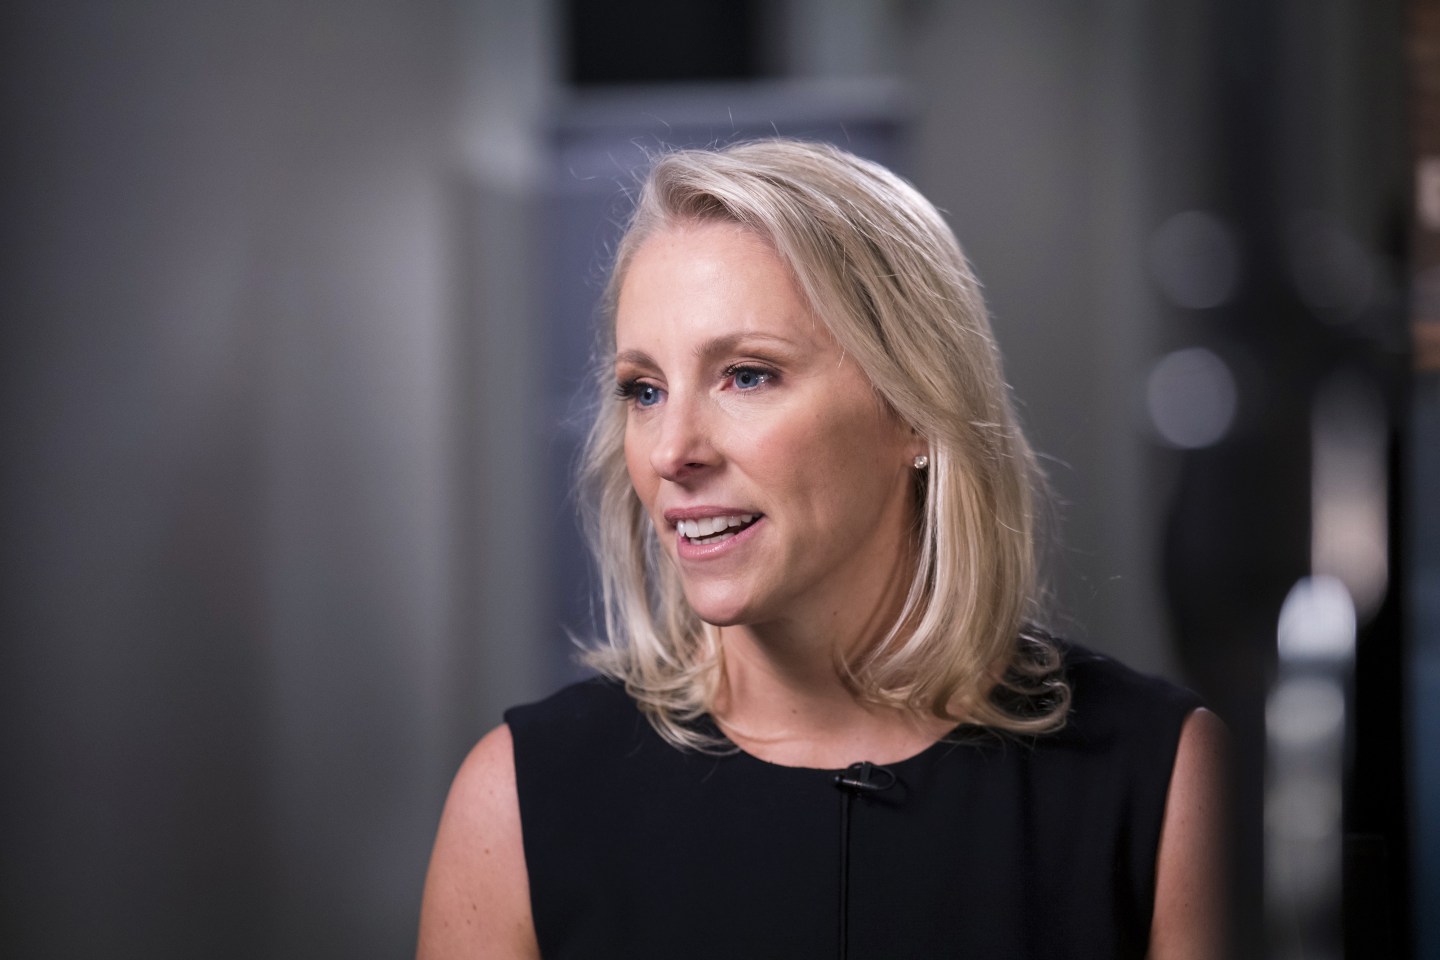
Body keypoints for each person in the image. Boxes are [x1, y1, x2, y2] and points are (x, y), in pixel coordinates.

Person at [416, 139, 1225, 960]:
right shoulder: (518, 802)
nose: (672, 451)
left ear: (915, 407)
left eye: (747, 375)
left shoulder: (1165, 786)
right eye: (645, 391)